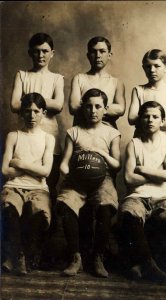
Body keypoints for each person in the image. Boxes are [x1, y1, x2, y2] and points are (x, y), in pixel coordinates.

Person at [56, 88, 121, 278]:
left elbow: (117, 165)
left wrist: (101, 153)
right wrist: (68, 174)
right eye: (89, 106)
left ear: (105, 109)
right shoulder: (74, 132)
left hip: (103, 179)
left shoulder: (112, 133)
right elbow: (64, 164)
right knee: (66, 204)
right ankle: (76, 258)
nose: (93, 111)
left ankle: (98, 257)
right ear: (83, 108)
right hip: (76, 180)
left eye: (98, 106)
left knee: (106, 206)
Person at [119, 101, 166, 281]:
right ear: (140, 119)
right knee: (128, 215)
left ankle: (140, 263)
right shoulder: (133, 143)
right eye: (146, 116)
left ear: (162, 121)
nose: (150, 120)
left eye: (155, 117)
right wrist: (158, 174)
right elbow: (129, 179)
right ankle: (149, 263)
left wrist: (142, 169)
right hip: (137, 195)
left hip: (164, 196)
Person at [1, 92, 55, 275]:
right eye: (27, 111)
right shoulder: (13, 136)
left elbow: (46, 171)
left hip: (39, 189)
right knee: (10, 208)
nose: (32, 116)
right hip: (14, 186)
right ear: (21, 113)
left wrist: (20, 163)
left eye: (36, 111)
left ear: (43, 113)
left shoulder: (48, 138)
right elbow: (4, 171)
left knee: (41, 213)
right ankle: (15, 255)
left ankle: (21, 255)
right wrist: (33, 168)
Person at [10, 32, 64, 201]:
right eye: (36, 51)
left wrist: (31, 98)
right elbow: (14, 105)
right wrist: (44, 101)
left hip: (50, 137)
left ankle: (50, 224)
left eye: (45, 51)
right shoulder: (22, 75)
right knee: (23, 182)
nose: (41, 55)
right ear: (30, 53)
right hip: (26, 137)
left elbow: (58, 105)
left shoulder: (57, 78)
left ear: (52, 53)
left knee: (50, 184)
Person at [69, 36, 126, 129]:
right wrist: (104, 109)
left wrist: (87, 108)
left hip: (108, 133)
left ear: (109, 55)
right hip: (82, 132)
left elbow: (120, 109)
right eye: (93, 52)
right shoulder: (79, 79)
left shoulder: (117, 82)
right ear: (88, 56)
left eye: (102, 51)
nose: (98, 55)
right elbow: (74, 107)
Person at [128, 49, 166, 136]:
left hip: (164, 142)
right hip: (141, 140)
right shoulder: (138, 90)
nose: (152, 70)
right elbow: (131, 119)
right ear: (143, 68)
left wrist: (147, 121)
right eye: (148, 66)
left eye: (157, 66)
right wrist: (162, 121)